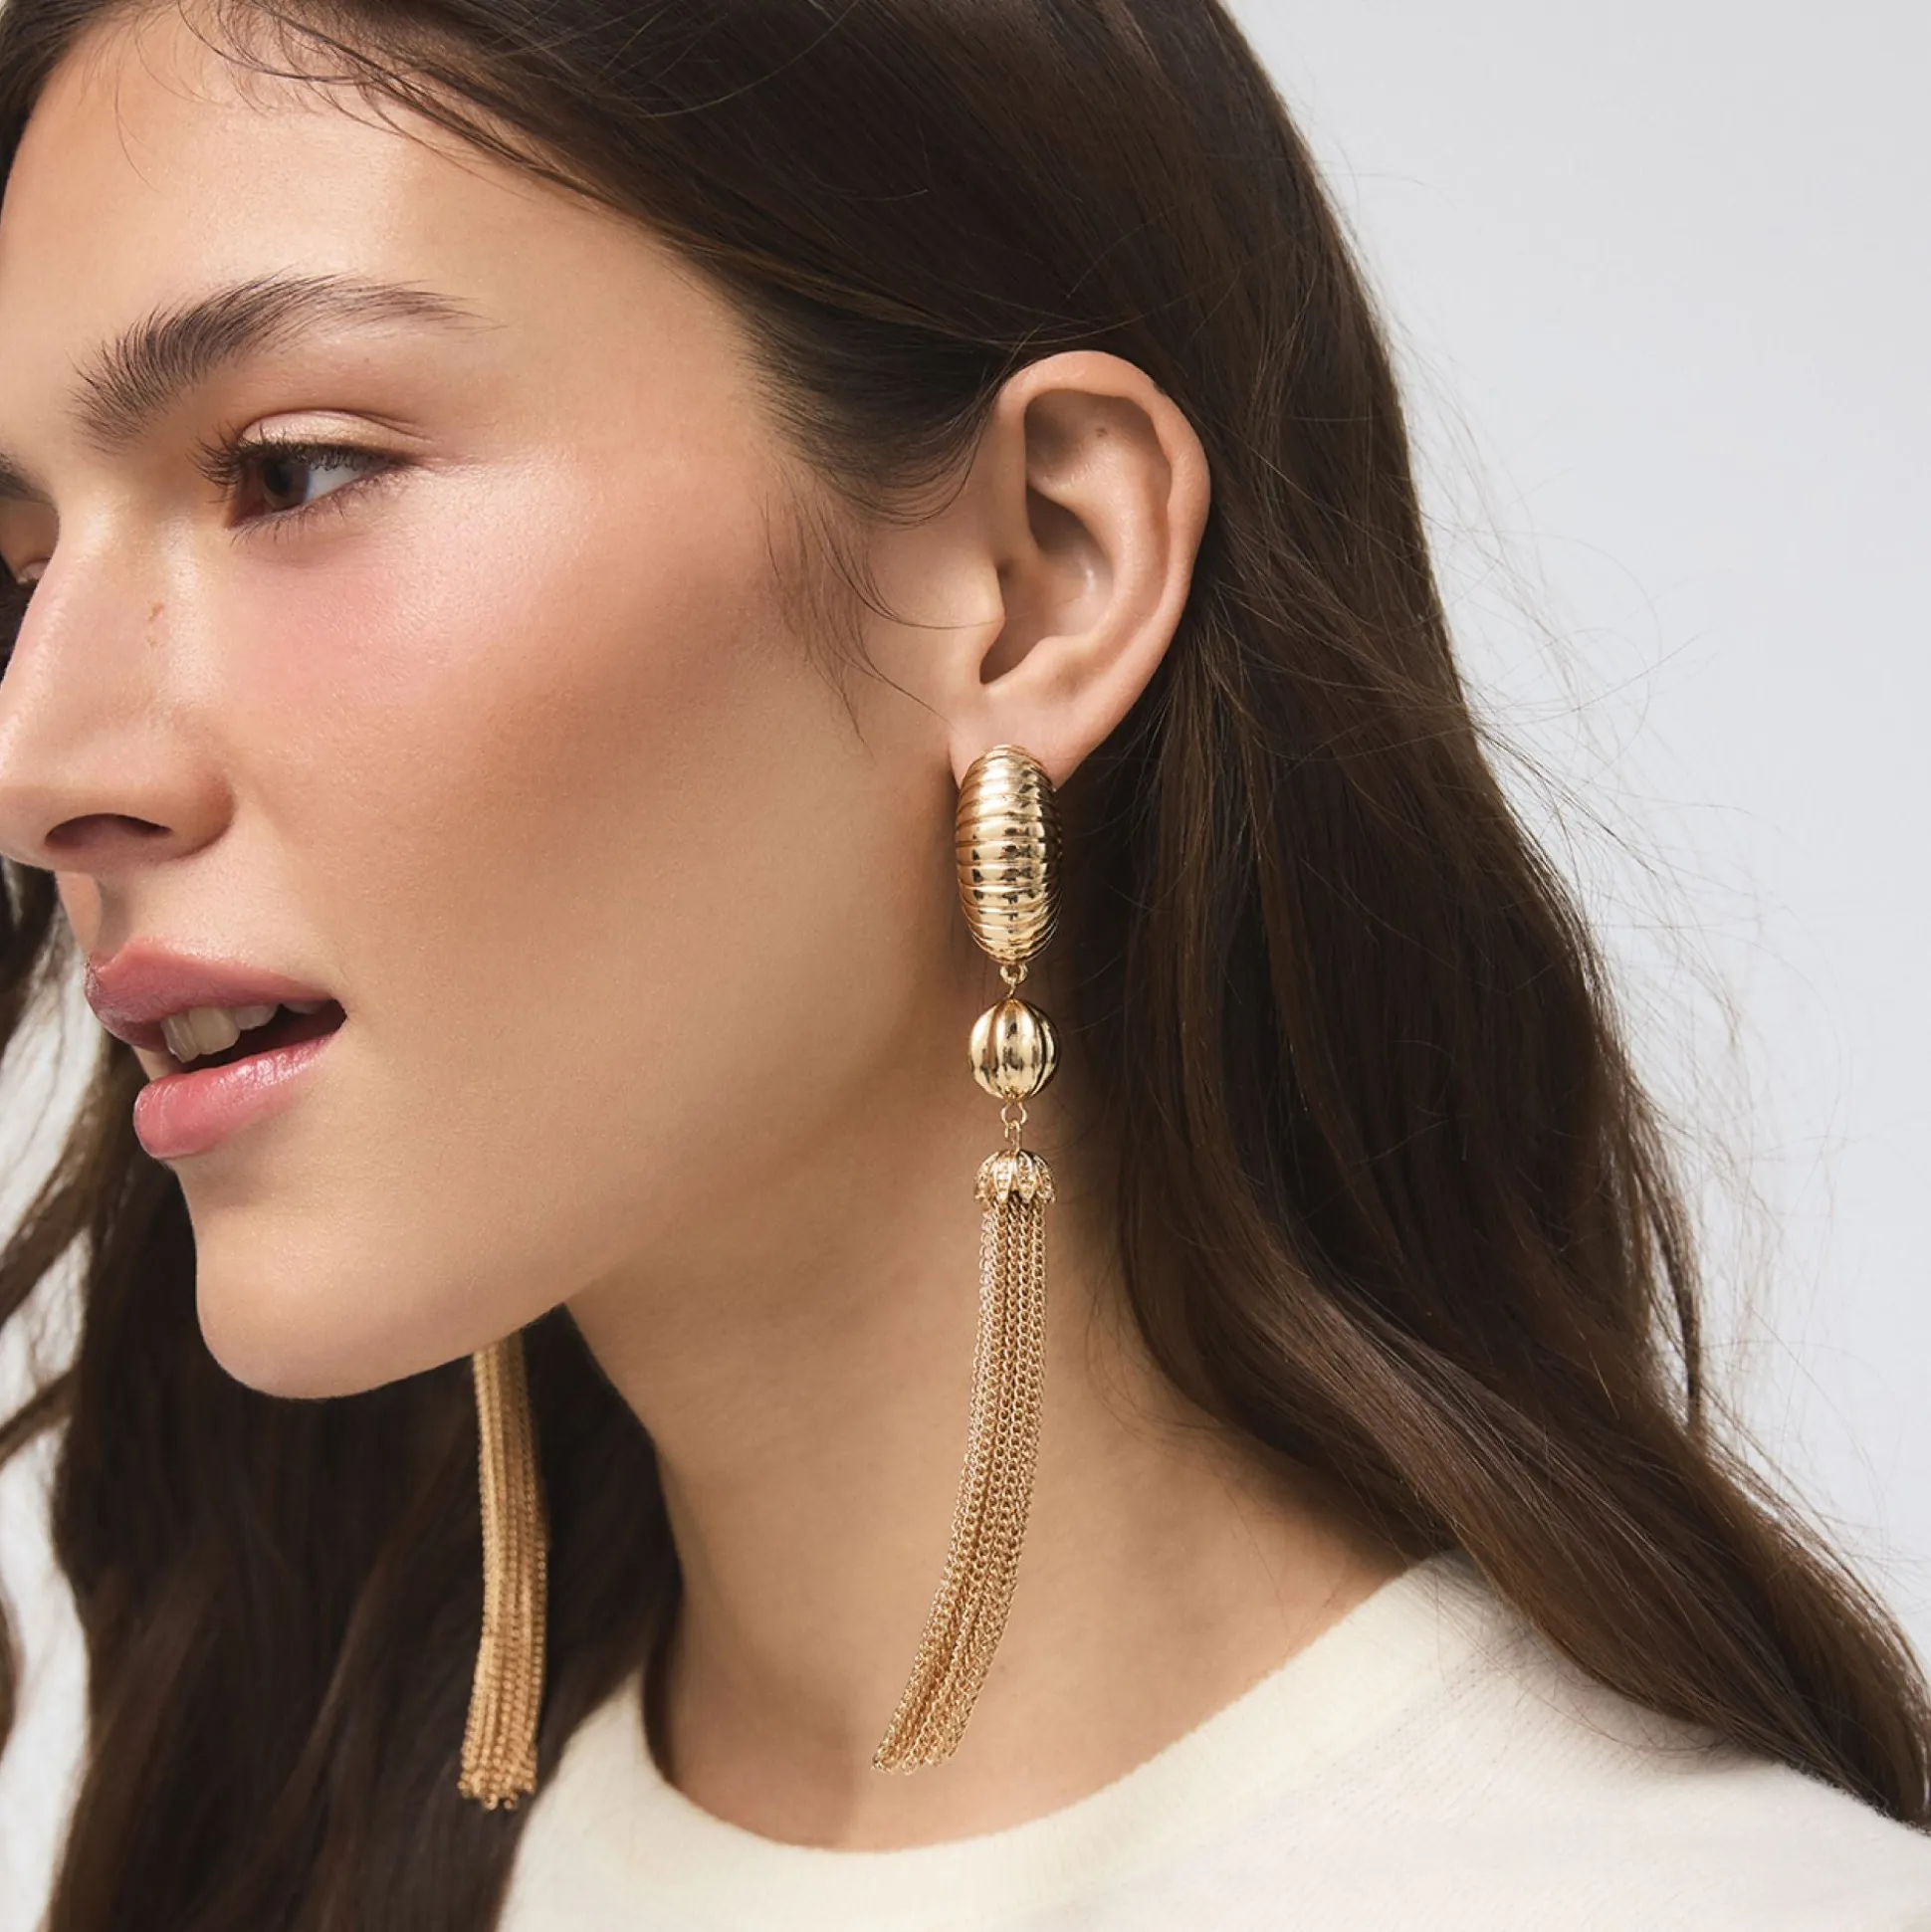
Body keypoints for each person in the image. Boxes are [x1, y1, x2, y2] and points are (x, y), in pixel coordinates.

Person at [0, 1, 1924, 1927]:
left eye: (295, 473)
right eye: (20, 572)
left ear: (1036, 577)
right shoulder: (267, 1848)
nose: (40, 767)